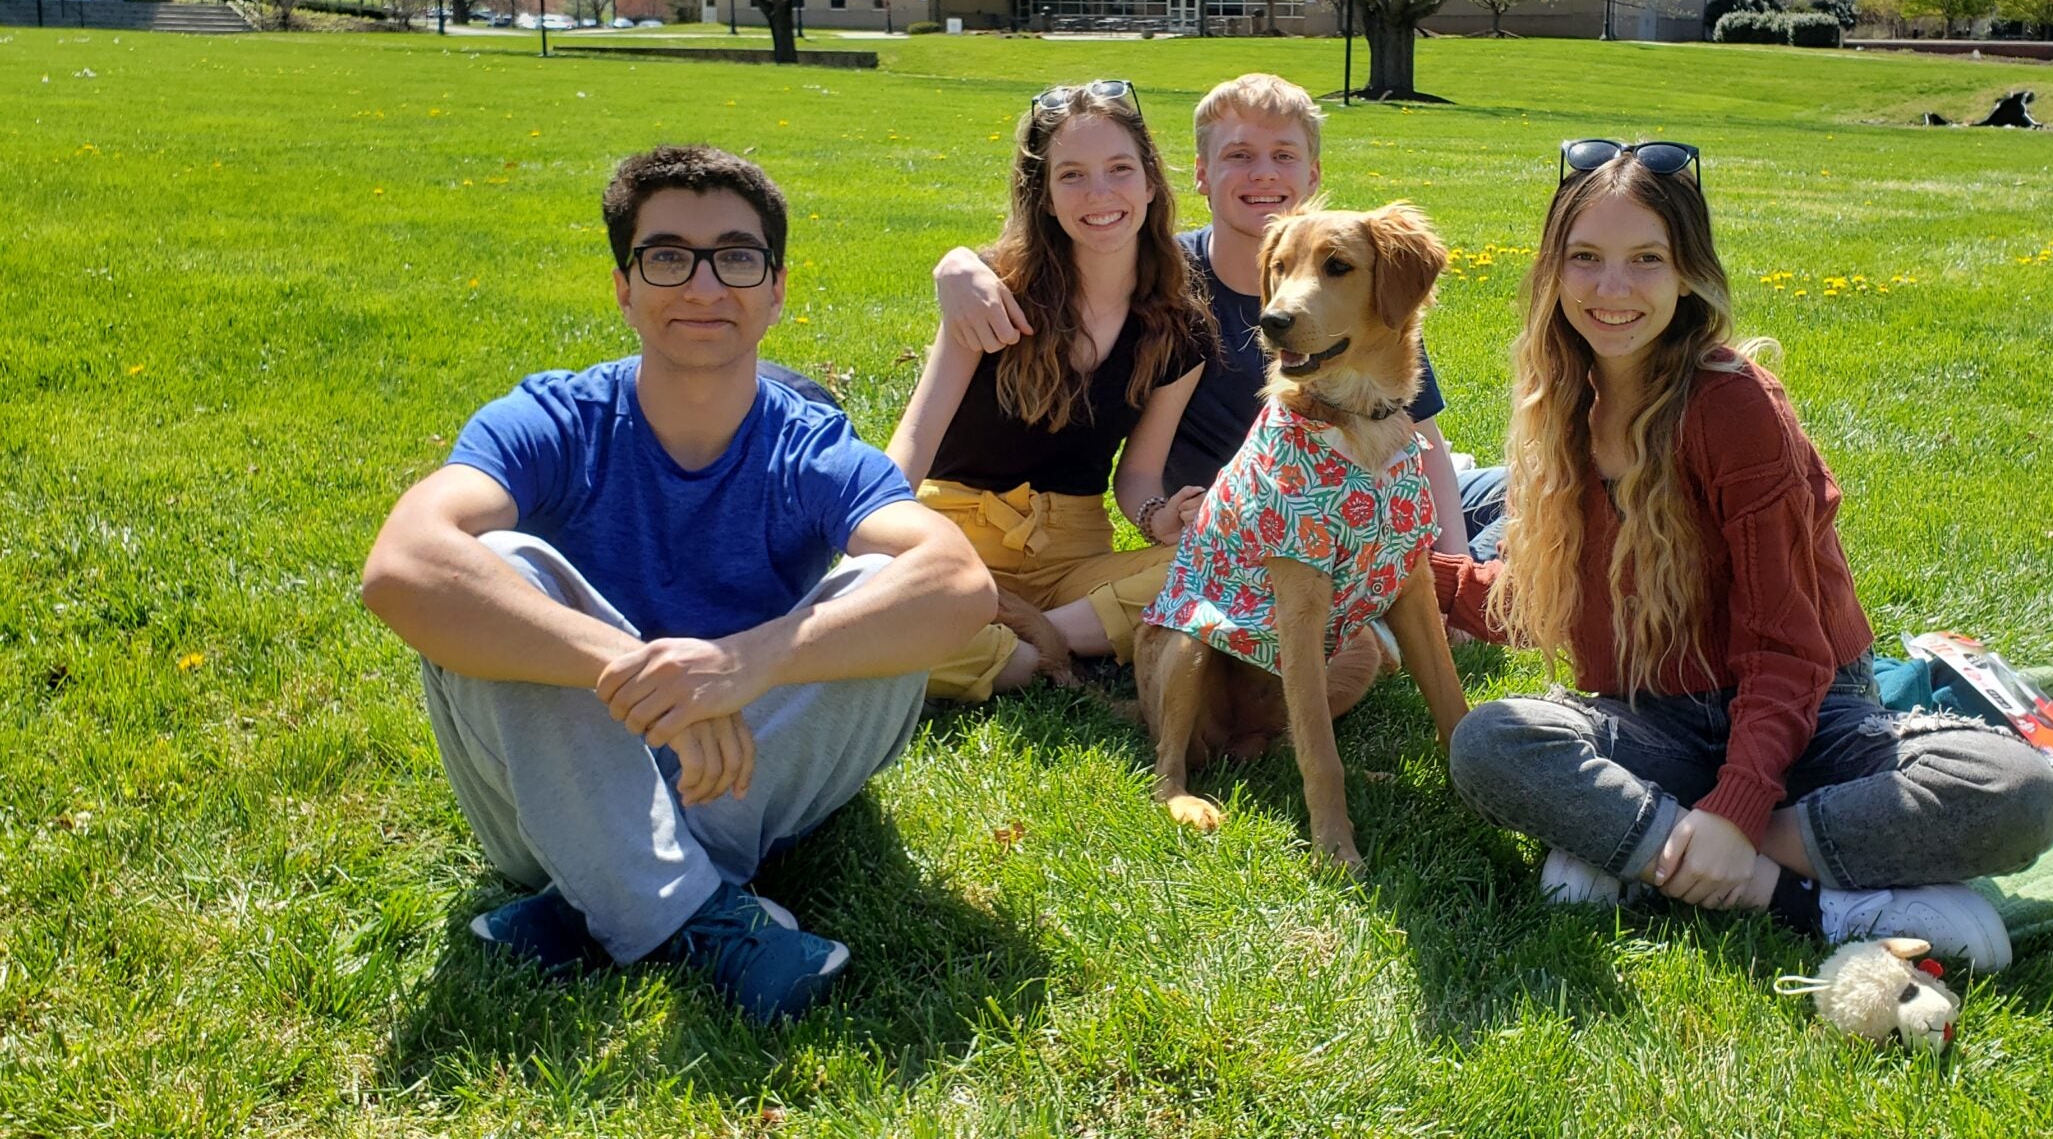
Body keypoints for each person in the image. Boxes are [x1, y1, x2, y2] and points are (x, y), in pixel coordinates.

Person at [361, 145, 996, 1021]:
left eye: (736, 257)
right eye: (667, 257)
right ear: (623, 286)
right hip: (550, 786)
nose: (704, 287)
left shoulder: (804, 447)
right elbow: (403, 566)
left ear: (775, 289)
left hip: (742, 777)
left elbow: (959, 582)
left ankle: (602, 897)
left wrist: (745, 665)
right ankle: (700, 913)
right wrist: (649, 680)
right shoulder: (554, 418)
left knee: (892, 589)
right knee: (503, 570)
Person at [1432, 140, 2053, 969]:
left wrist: (1732, 815)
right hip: (1657, 720)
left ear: (1688, 272)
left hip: (1807, 719)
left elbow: (1787, 651)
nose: (1611, 289)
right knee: (1488, 743)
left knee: (2015, 791)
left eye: (1644, 260)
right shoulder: (1563, 405)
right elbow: (1545, 603)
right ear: (1553, 272)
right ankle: (1812, 897)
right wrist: (1410, 576)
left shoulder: (1733, 408)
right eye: (1585, 258)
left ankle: (1670, 851)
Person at [933, 74, 1473, 555]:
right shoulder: (1165, 286)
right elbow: (1081, 253)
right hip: (1258, 527)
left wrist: (1455, 568)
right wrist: (960, 265)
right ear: (1200, 174)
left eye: (1283, 156)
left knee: (1518, 496)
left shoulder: (1353, 282)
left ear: (1312, 174)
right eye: (1239, 156)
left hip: (1378, 492)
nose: (1263, 175)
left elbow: (1417, 435)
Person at [886, 79, 1214, 700]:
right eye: (1071, 176)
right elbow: (916, 440)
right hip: (957, 539)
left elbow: (1139, 476)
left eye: (1119, 169)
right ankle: (1037, 655)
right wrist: (873, 544)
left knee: (1226, 562)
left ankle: (1011, 648)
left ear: (1150, 182)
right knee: (867, 615)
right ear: (1043, 196)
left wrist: (1157, 516)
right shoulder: (988, 292)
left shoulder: (1182, 327)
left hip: (1074, 557)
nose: (1100, 194)